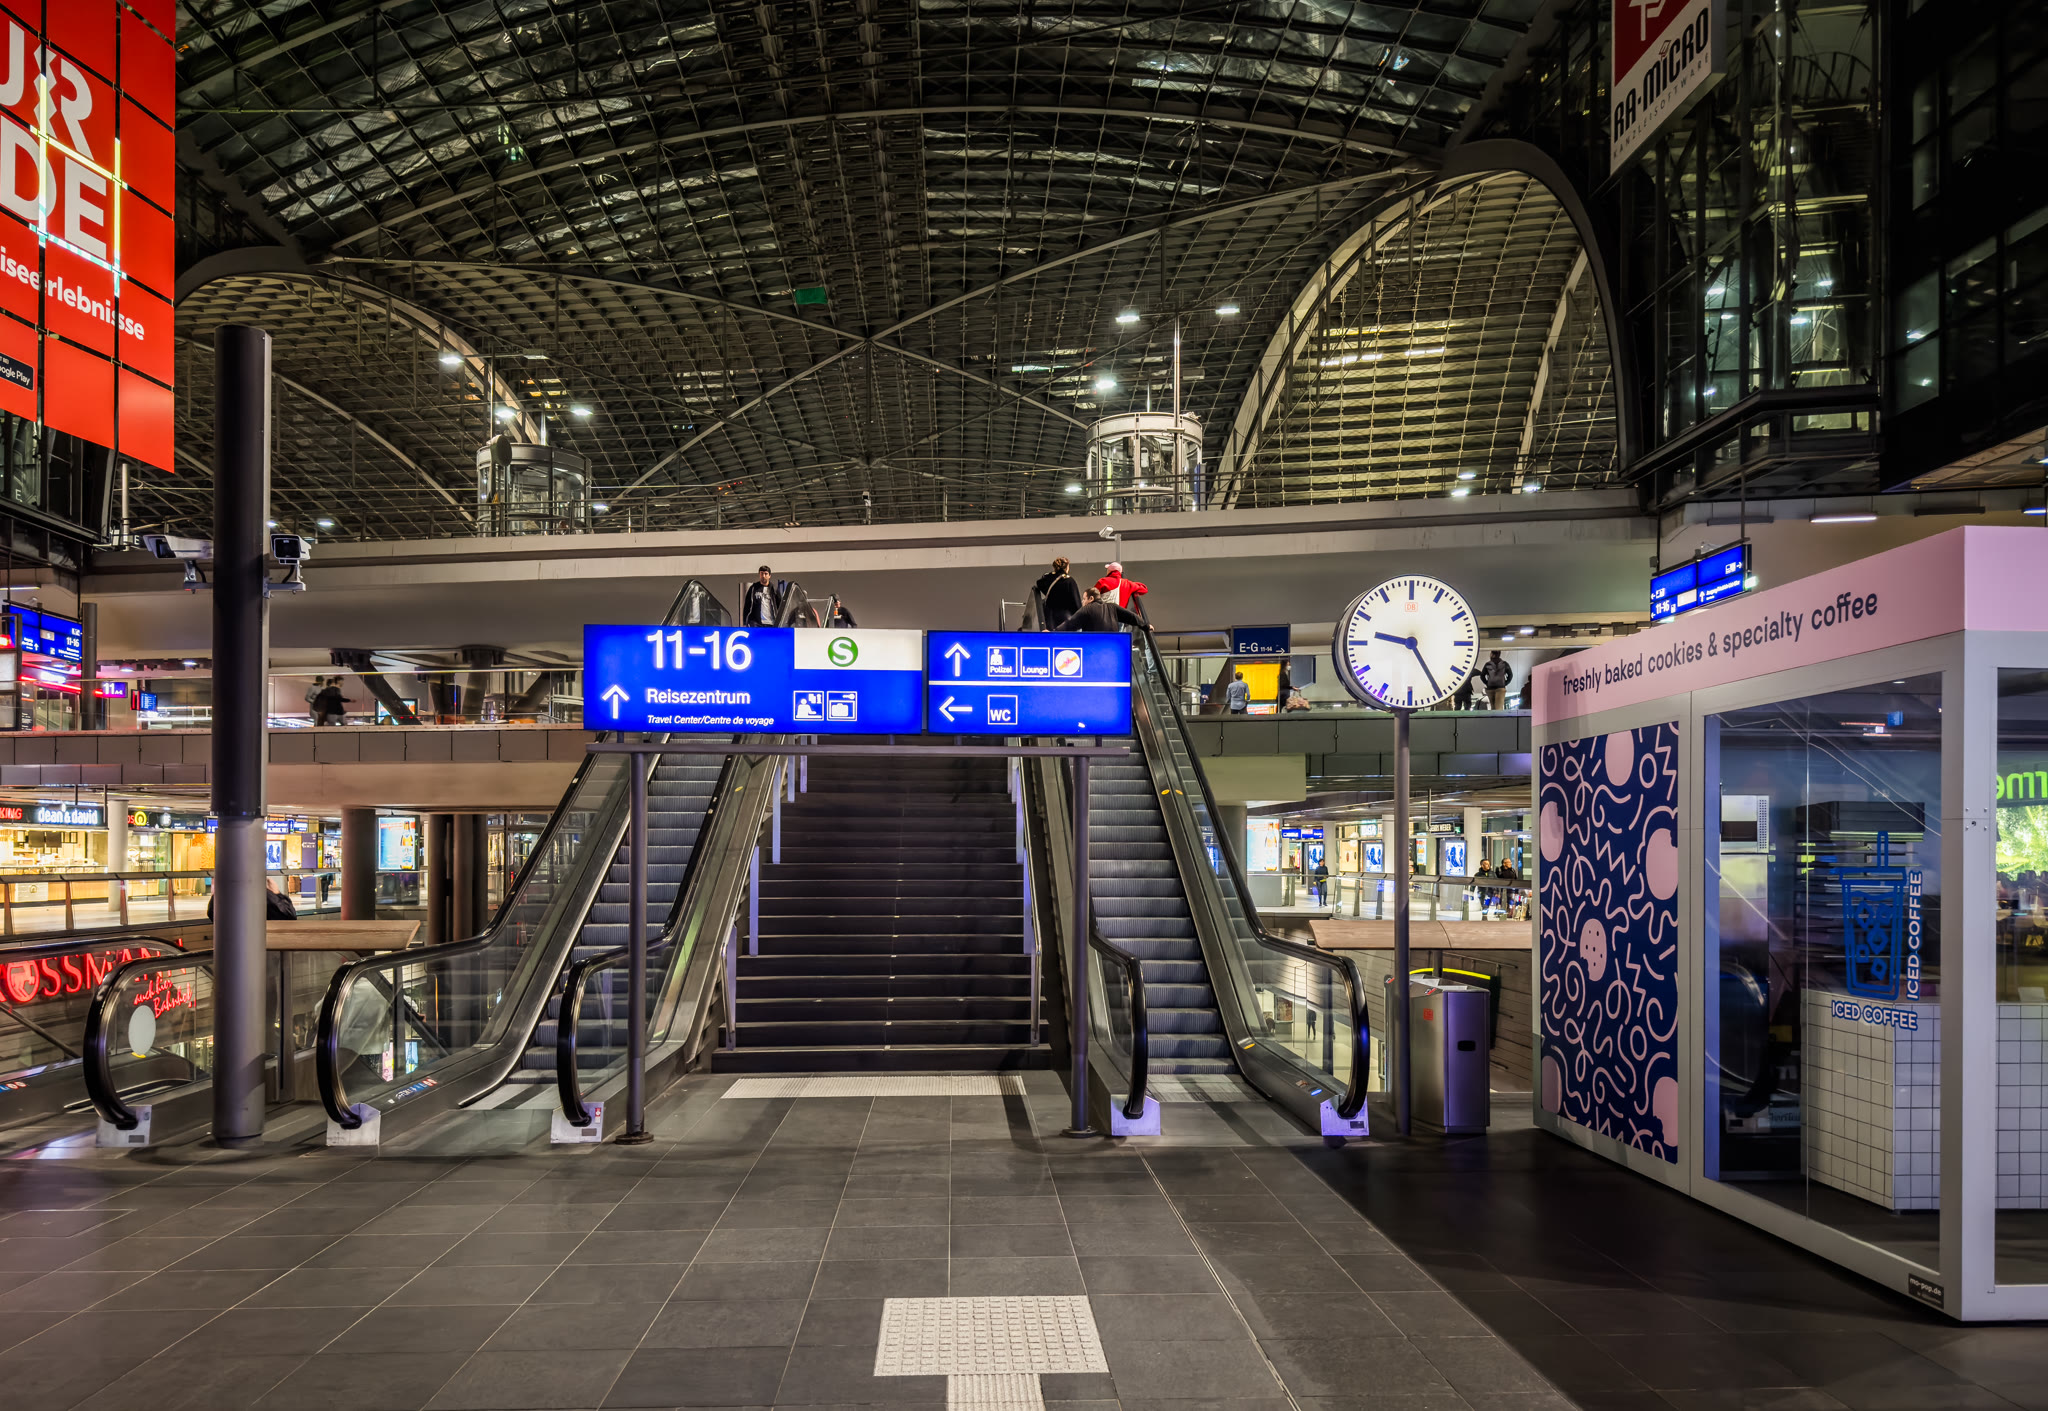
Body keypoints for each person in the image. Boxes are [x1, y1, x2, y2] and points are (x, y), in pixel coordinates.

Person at [1056, 586, 1151, 634]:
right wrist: (1145, 626)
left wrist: (1053, 632)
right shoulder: (1112, 607)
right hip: (1112, 646)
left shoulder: (1086, 609)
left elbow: (1070, 624)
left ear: (1091, 598)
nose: (1082, 602)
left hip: (1094, 647)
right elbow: (1132, 617)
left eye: (1084, 599)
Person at [1034, 557, 1083, 629]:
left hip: (1049, 618)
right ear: (1067, 567)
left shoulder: (1047, 578)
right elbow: (1076, 603)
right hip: (1064, 619)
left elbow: (1039, 583)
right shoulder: (1069, 581)